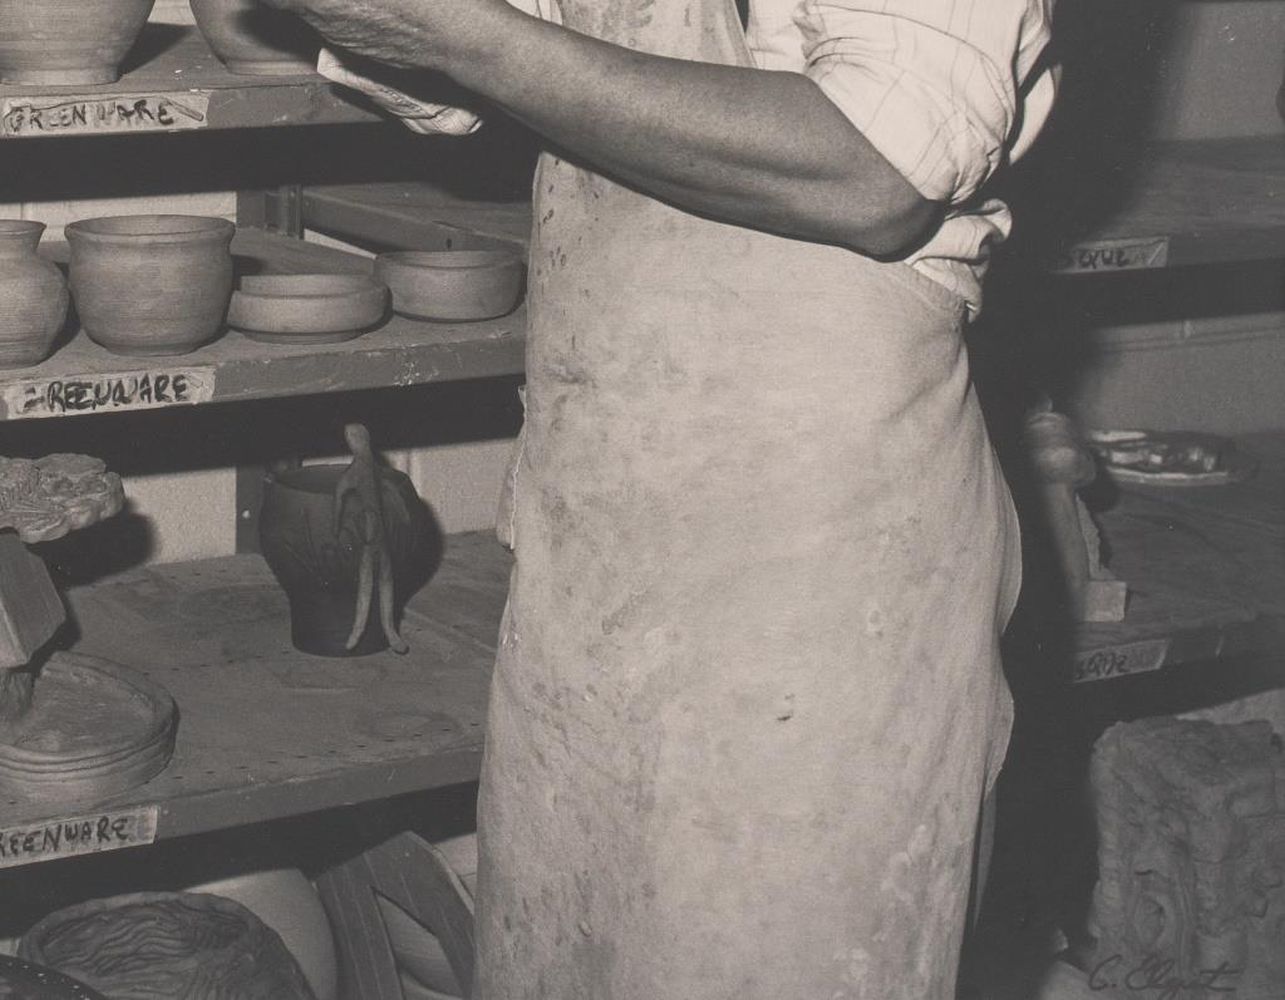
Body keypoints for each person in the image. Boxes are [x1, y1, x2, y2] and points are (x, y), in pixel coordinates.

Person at [265, 0, 1057, 995]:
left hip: (812, 560)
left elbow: (874, 168)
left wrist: (461, 35)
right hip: (602, 533)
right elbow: (473, 67)